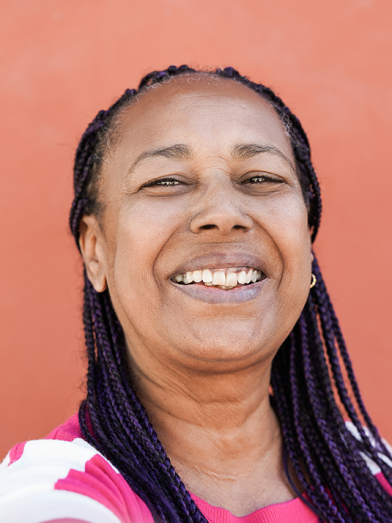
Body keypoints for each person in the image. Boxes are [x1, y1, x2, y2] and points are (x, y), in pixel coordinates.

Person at [0, 65, 391, 523]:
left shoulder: (372, 475)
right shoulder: (52, 488)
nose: (223, 213)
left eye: (261, 178)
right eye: (165, 181)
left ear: (306, 237)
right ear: (95, 251)